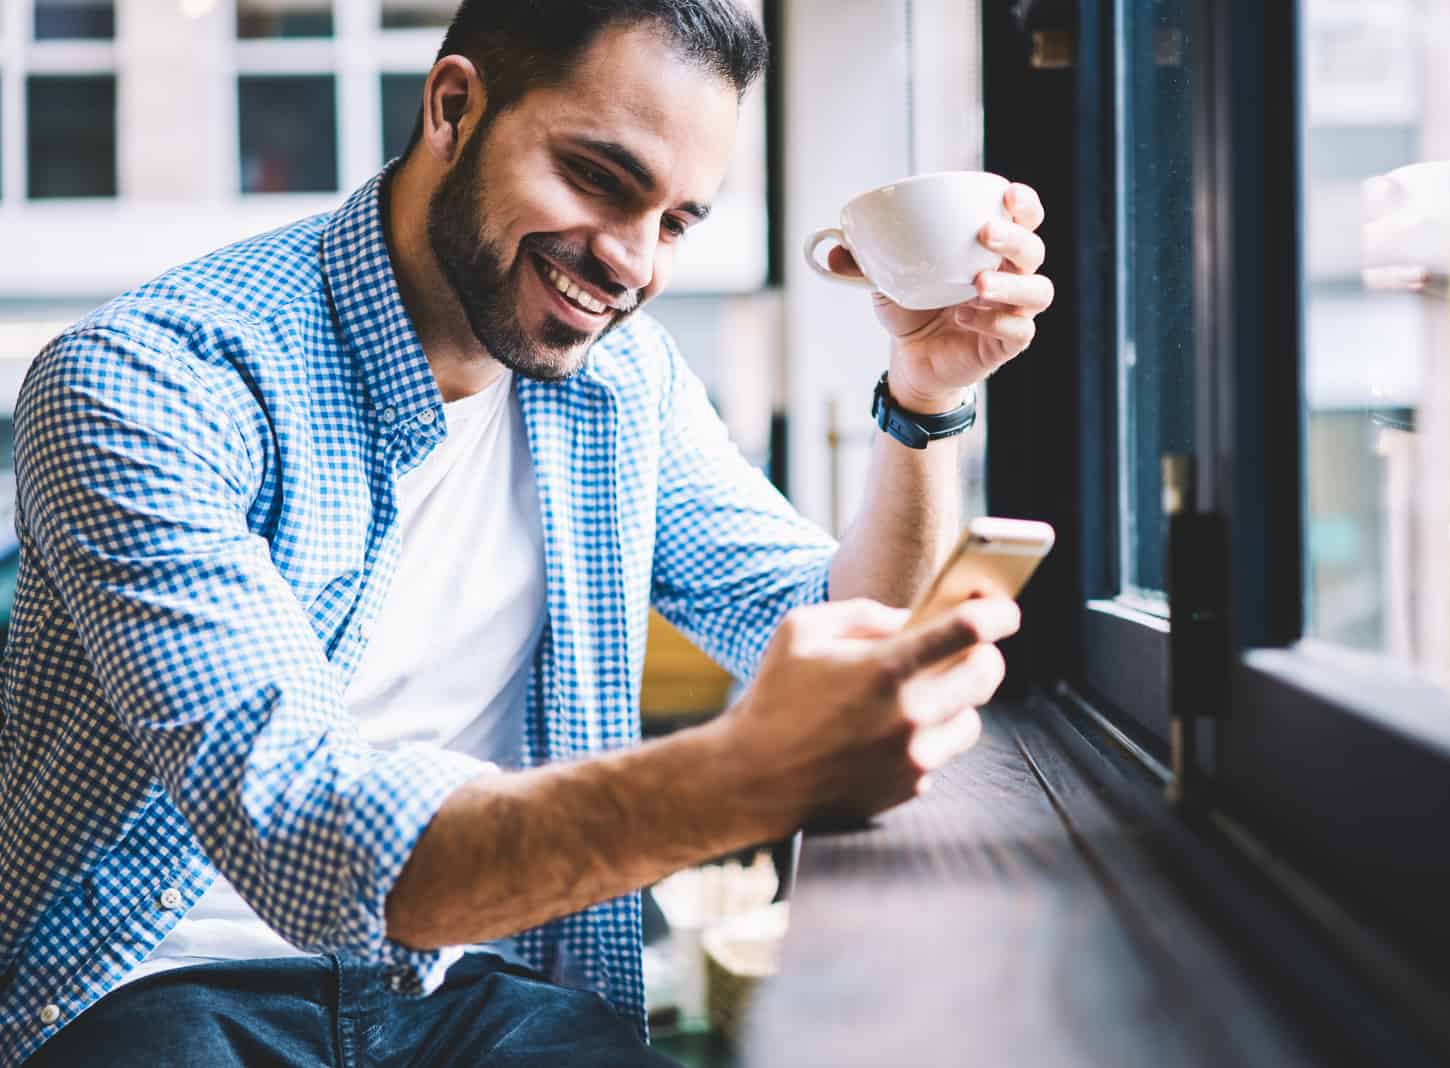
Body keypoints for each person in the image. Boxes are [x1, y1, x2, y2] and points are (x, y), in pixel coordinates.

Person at [0, 1, 1053, 1064]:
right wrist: (744, 775)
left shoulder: (619, 385)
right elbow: (304, 828)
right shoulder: (147, 380)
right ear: (456, 105)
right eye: (600, 179)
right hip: (159, 987)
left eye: (677, 221)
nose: (633, 266)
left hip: (478, 991)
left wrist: (925, 395)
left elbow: (845, 627)